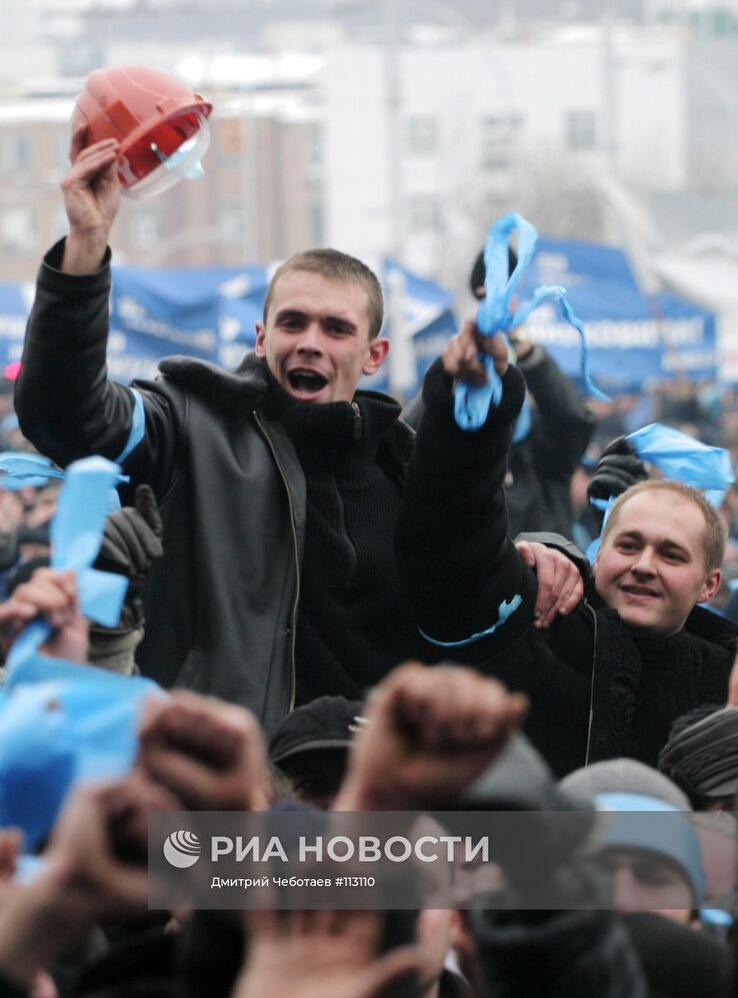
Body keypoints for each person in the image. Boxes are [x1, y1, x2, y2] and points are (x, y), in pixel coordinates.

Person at [15, 133, 580, 733]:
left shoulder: (406, 464)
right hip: (230, 788)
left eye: (337, 328)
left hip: (380, 792)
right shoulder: (189, 429)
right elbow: (68, 415)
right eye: (293, 322)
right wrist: (85, 247)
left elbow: (471, 548)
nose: (310, 340)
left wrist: (550, 552)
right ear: (262, 340)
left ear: (373, 354)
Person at [395, 321, 737, 776]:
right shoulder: (537, 623)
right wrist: (471, 417)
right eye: (629, 545)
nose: (643, 566)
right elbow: (450, 544)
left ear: (710, 585)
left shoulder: (725, 681)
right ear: (596, 554)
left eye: (671, 554)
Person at [403, 247, 596, 539]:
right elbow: (404, 440)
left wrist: (524, 349)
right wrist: (451, 368)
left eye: (506, 380)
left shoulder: (542, 456)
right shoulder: (454, 459)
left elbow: (573, 419)